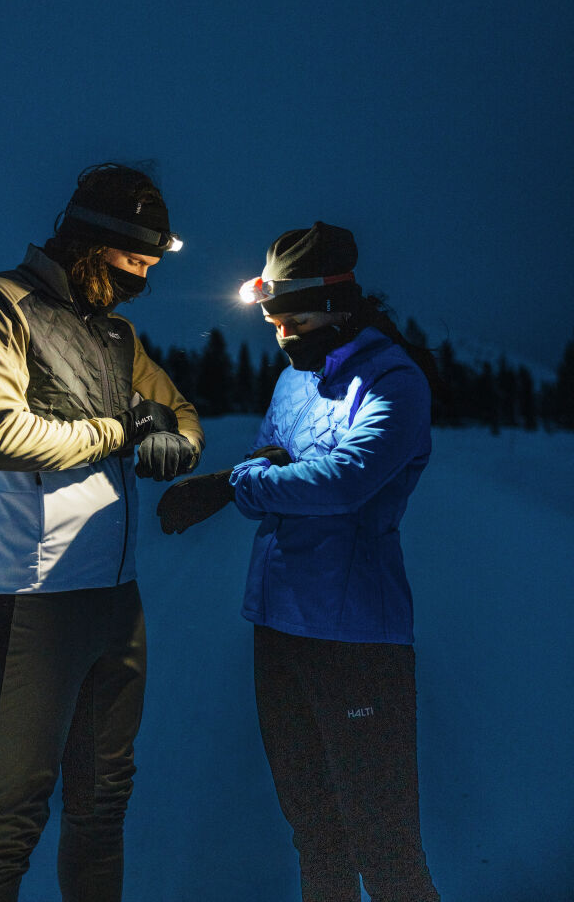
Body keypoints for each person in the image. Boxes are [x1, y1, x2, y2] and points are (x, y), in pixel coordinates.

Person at [158, 221, 440, 902]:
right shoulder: (293, 380)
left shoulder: (394, 382)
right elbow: (269, 473)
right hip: (277, 626)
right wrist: (254, 478)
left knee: (385, 842)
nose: (284, 334)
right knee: (314, 830)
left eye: (297, 318)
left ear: (341, 307)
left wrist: (233, 483)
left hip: (355, 638)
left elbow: (344, 482)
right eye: (273, 321)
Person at [0, 162, 204, 902]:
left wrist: (176, 443)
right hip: (36, 597)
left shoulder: (117, 334)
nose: (142, 280)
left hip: (117, 600)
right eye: (134, 263)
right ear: (92, 244)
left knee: (103, 802)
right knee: (13, 814)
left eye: (152, 266)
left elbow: (180, 410)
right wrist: (119, 429)